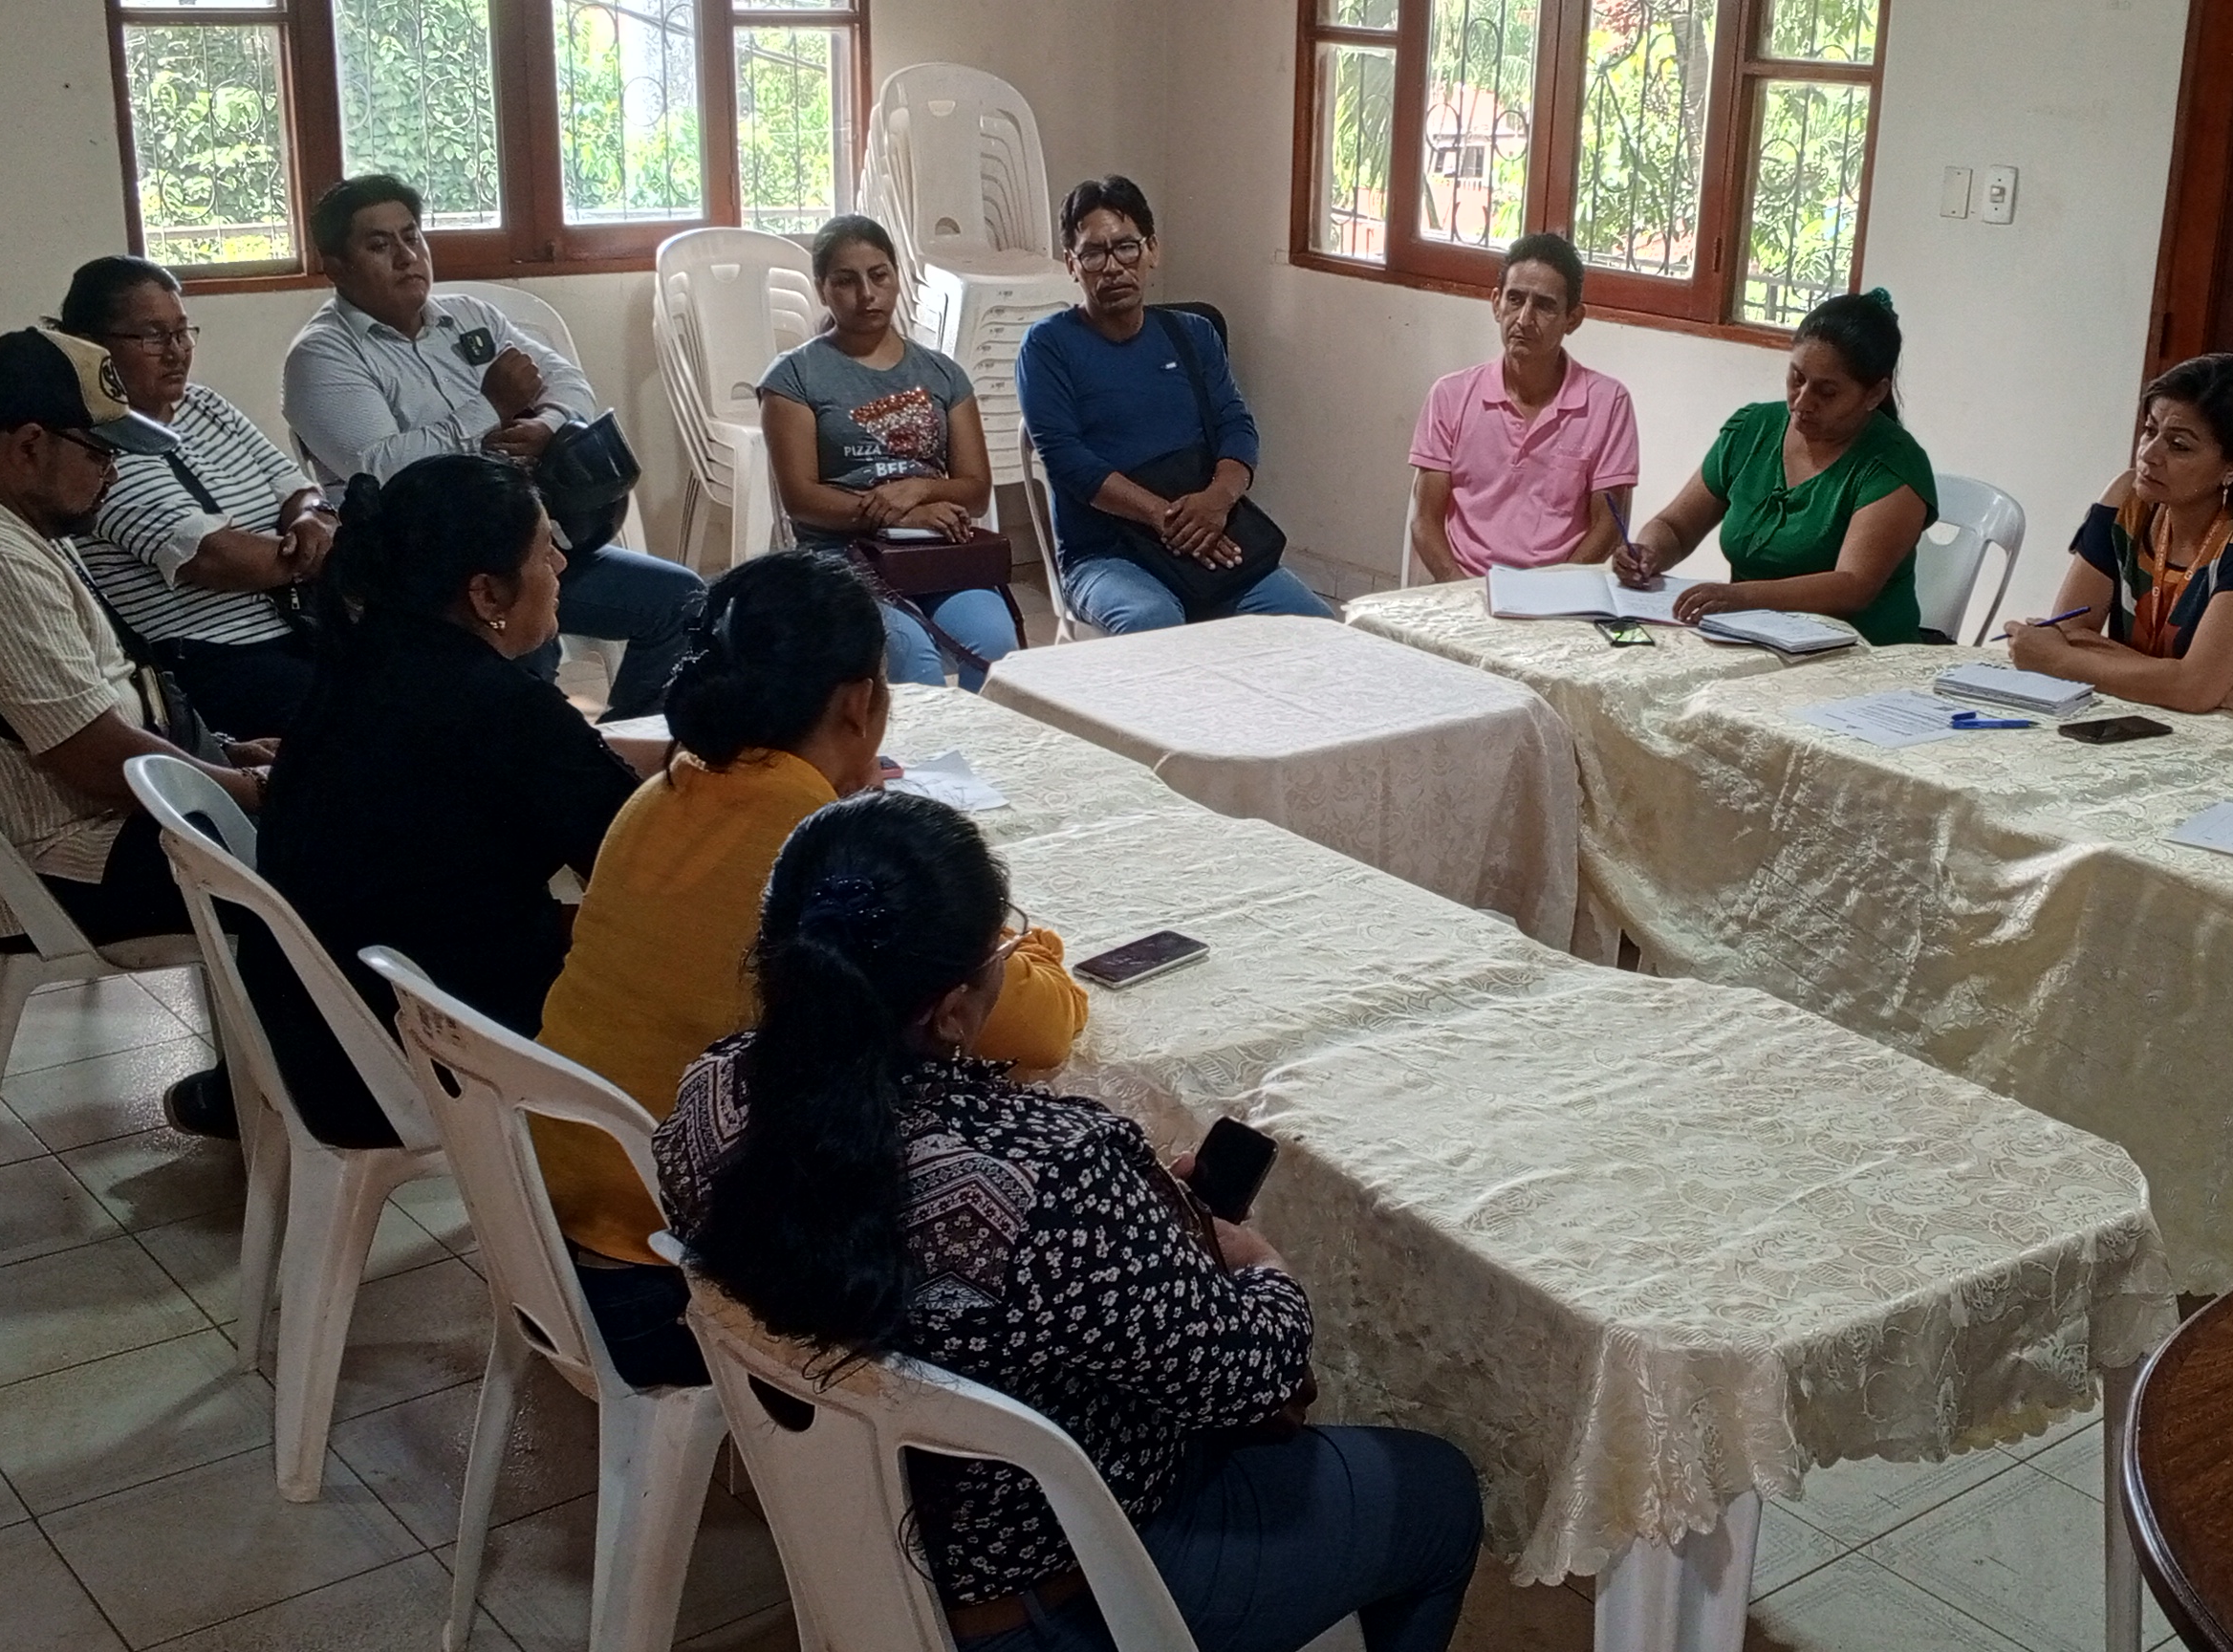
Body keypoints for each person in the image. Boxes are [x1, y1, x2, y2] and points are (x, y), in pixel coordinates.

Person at [659, 789, 1483, 1652]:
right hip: (1056, 1598)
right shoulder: (1056, 1180)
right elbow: (1251, 1375)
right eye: (1001, 953)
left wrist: (1141, 1239)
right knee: (1438, 1495)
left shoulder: (710, 1097)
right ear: (952, 1010)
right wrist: (1256, 1265)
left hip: (846, 1539)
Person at [535, 552, 1085, 1339]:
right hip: (668, 1250)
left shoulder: (662, 793)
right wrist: (1026, 941)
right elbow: (1037, 1027)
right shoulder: (817, 854)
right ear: (859, 705)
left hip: (560, 1178)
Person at [0, 326, 266, 1136]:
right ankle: (308, 1096)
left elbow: (92, 706)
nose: (112, 476)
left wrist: (227, 758)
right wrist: (259, 791)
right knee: (348, 854)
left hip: (78, 822)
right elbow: (99, 763)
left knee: (336, 814)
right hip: (63, 860)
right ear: (29, 445)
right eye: (101, 455)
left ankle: (260, 1083)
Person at [237, 454, 663, 1182]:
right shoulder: (494, 706)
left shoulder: (362, 666)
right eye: (543, 549)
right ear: (487, 591)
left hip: (319, 1033)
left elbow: (562, 771)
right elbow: (641, 866)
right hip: (426, 1048)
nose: (560, 562)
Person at [280, 174, 701, 718]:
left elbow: (570, 384)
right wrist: (490, 411)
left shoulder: (470, 317)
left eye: (413, 237)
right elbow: (377, 469)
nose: (408, 257)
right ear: (336, 266)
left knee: (682, 601)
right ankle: (540, 753)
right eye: (380, 245)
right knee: (528, 651)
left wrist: (545, 424)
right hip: (431, 573)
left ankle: (616, 749)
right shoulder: (321, 356)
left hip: (531, 543)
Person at [1015, 176, 1338, 634]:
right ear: (1072, 264)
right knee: (1156, 621)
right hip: (1105, 555)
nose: (1112, 267)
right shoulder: (1047, 347)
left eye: (1126, 247)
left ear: (1151, 251)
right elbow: (1068, 463)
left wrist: (1216, 502)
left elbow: (1236, 428)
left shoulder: (1193, 334)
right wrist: (1167, 519)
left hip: (1208, 532)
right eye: (1093, 253)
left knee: (1320, 631)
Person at [54, 255, 335, 739]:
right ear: (92, 346)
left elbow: (297, 489)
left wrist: (311, 519)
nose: (176, 351)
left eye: (183, 332)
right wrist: (323, 548)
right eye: (152, 336)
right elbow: (216, 559)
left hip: (300, 629)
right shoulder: (90, 447)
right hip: (211, 664)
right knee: (376, 727)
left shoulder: (204, 405)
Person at [2001, 354, 2233, 748]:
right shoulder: (2127, 499)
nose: (2149, 455)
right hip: (2151, 720)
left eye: (2178, 445)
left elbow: (2065, 648)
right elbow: (2070, 629)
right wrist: (2189, 682)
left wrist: (2057, 662)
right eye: (2149, 430)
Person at [758, 214, 1026, 689]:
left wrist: (919, 489)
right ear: (822, 289)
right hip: (840, 556)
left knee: (996, 642)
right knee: (911, 657)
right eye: (846, 281)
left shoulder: (943, 374)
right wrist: (899, 516)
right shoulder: (795, 377)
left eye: (879, 275)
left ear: (897, 277)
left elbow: (976, 490)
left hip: (937, 551)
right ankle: (913, 764)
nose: (867, 294)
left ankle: (980, 759)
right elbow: (801, 499)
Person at [1615, 290, 1938, 641]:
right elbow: (1675, 526)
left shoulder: (1893, 466)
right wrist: (1648, 553)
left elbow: (1852, 586)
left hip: (1859, 654)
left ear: (1874, 394)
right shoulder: (1753, 430)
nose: (1802, 401)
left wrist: (1742, 597)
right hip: (1751, 640)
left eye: (1826, 392)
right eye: (1797, 378)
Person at [1405, 231, 1638, 583]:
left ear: (1573, 318)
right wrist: (1459, 591)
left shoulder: (1609, 403)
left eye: (1544, 305)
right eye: (1515, 299)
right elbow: (1425, 520)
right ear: (1496, 303)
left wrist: (1548, 594)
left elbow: (1606, 529)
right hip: (1464, 588)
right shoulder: (1450, 395)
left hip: (1557, 596)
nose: (1524, 319)